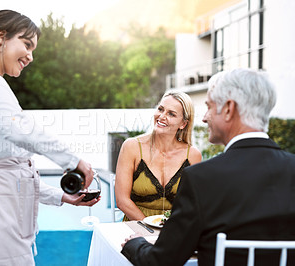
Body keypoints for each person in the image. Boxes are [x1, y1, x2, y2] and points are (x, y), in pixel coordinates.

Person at [0, 10, 99, 265]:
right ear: (1, 37)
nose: (31, 56)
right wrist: (72, 160)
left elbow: (15, 177)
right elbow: (21, 129)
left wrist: (62, 197)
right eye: (26, 44)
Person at [121, 68, 295, 265]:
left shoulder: (202, 178)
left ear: (229, 109)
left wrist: (133, 244)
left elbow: (160, 261)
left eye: (209, 107)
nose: (204, 118)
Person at [115, 90, 202, 221]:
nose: (162, 116)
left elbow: (193, 202)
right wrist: (149, 228)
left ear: (183, 124)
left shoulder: (193, 155)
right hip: (136, 227)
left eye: (171, 114)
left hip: (174, 228)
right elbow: (122, 201)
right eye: (160, 109)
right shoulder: (131, 147)